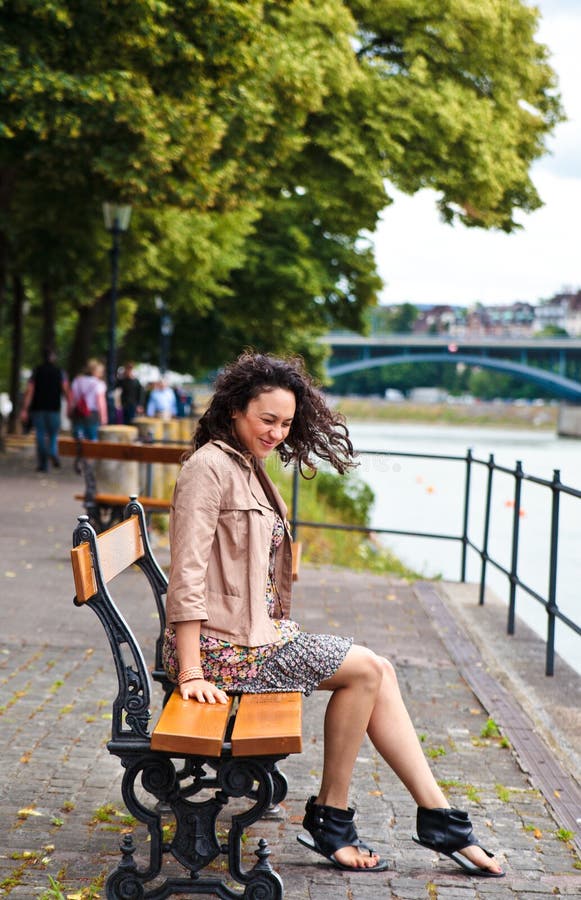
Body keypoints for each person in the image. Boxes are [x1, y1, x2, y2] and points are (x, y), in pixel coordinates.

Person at [163, 352, 504, 878]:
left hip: (253, 638)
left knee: (378, 669)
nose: (277, 433)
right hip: (221, 653)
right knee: (366, 669)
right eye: (266, 420)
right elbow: (185, 575)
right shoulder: (208, 468)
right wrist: (190, 672)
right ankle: (347, 818)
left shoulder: (246, 463)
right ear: (234, 410)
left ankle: (429, 816)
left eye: (285, 423)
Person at [20, 348, 71, 472]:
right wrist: (70, 404)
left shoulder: (36, 371)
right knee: (53, 434)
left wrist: (25, 408)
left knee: (40, 435)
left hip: (38, 408)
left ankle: (43, 464)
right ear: (54, 358)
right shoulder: (60, 372)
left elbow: (30, 390)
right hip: (54, 408)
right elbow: (65, 389)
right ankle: (53, 451)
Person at [69, 359, 107, 440]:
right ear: (95, 371)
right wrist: (103, 418)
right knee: (92, 439)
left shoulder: (77, 380)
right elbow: (101, 402)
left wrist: (69, 411)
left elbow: (72, 399)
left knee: (78, 439)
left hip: (78, 413)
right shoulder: (99, 383)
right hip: (92, 414)